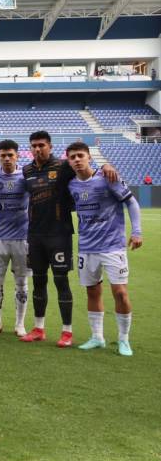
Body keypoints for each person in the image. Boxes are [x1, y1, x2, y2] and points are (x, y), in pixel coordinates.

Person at [20, 131, 118, 347]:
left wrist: (106, 166)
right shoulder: (26, 170)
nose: (38, 149)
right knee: (38, 281)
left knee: (61, 281)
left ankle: (67, 331)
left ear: (50, 146)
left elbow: (84, 166)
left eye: (42, 145)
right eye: (34, 145)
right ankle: (38, 328)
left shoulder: (64, 167)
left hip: (59, 234)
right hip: (35, 235)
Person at [66, 142, 142, 356]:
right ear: (69, 161)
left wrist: (137, 232)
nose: (77, 160)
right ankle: (97, 337)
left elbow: (132, 203)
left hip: (112, 246)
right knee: (92, 291)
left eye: (80, 155)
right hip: (86, 248)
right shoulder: (71, 185)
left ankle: (123, 340)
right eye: (72, 157)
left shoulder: (107, 178)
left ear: (89, 157)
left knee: (120, 293)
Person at [0, 140, 30, 337]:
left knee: (21, 282)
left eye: (10, 155)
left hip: (23, 238)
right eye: (3, 155)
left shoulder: (26, 176)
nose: (6, 159)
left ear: (17, 156)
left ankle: (20, 324)